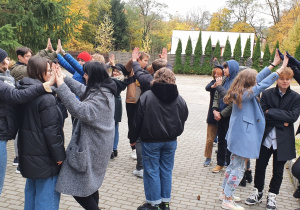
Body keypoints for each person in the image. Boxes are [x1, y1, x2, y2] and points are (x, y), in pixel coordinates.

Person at [216, 50, 286, 210]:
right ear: (249, 83)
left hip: (238, 137)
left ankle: (225, 193)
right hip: (243, 138)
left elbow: (258, 78)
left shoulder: (240, 90)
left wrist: (273, 64)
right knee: (238, 169)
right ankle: (227, 200)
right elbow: (262, 84)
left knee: (233, 165)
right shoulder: (245, 94)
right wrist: (279, 71)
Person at [54, 61, 117, 210]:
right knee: (90, 186)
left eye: (87, 73)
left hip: (93, 150)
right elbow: (82, 90)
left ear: (94, 76)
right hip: (96, 147)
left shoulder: (102, 97)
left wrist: (61, 86)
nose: (84, 76)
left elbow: (79, 110)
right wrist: (63, 77)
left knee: (78, 187)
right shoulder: (102, 89)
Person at [245, 55, 300, 210]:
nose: (284, 81)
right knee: (260, 167)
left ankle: (272, 196)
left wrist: (272, 112)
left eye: (288, 79)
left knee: (278, 171)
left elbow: (293, 116)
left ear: (291, 80)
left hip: (283, 140)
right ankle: (257, 192)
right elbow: (262, 114)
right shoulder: (267, 93)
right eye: (282, 78)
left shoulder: (296, 97)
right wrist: (282, 118)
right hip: (266, 136)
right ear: (277, 79)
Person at [0, 48, 55, 195]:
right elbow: (17, 96)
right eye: (5, 59)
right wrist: (46, 86)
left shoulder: (6, 76)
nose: (8, 61)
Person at [134, 68, 188, 210]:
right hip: (170, 141)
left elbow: (137, 119)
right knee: (166, 171)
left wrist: (134, 136)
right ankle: (165, 203)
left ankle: (154, 203)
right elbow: (184, 116)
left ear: (155, 78)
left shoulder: (147, 96)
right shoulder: (179, 98)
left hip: (150, 140)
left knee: (151, 171)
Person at [18, 56, 66, 210]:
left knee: (31, 195)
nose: (51, 73)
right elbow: (52, 131)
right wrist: (59, 156)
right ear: (39, 73)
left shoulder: (22, 91)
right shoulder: (46, 98)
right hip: (45, 157)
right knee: (46, 200)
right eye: (48, 71)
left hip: (29, 154)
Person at [124, 50, 150, 177]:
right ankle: (133, 148)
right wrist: (132, 60)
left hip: (142, 103)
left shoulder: (146, 72)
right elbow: (126, 68)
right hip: (132, 101)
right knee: (132, 126)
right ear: (139, 60)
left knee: (140, 128)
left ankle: (139, 152)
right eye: (144, 60)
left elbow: (153, 67)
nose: (146, 63)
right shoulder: (132, 69)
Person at [212, 60, 239, 173]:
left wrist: (222, 114)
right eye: (224, 67)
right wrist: (215, 110)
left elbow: (232, 102)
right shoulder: (223, 80)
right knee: (221, 140)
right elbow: (217, 96)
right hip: (220, 115)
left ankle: (229, 164)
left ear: (232, 68)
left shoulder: (237, 83)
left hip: (230, 116)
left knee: (230, 142)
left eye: (226, 67)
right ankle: (220, 163)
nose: (224, 70)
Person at [203, 65, 223, 167]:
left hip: (224, 115)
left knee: (223, 140)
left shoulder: (226, 84)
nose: (216, 75)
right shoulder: (212, 83)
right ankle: (208, 157)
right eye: (214, 74)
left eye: (218, 74)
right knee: (210, 139)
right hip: (212, 114)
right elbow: (207, 88)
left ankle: (222, 159)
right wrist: (213, 86)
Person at [110, 63, 128, 159]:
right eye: (114, 71)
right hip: (115, 104)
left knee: (114, 127)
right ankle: (114, 148)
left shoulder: (119, 81)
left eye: (117, 71)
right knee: (114, 127)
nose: (115, 73)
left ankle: (113, 149)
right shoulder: (119, 81)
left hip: (115, 105)